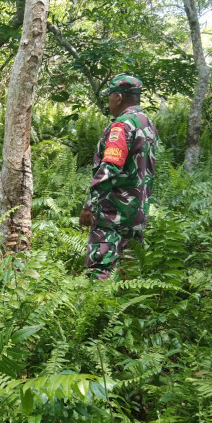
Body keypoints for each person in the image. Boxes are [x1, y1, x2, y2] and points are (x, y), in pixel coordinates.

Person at [79, 74, 159, 280]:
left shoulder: (122, 126)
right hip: (137, 213)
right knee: (129, 275)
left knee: (101, 270)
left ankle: (95, 311)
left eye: (110, 97)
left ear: (119, 97)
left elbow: (110, 168)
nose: (109, 102)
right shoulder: (147, 124)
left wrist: (90, 205)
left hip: (112, 214)